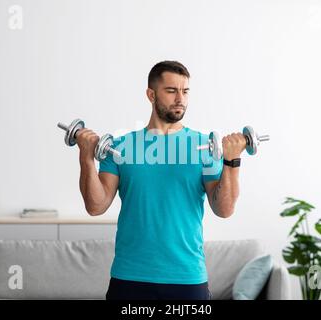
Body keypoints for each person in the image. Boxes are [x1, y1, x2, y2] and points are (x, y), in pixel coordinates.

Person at [76, 61, 246, 300]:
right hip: (130, 277)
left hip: (186, 278)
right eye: (171, 90)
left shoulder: (205, 147)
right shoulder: (120, 148)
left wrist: (232, 161)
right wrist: (86, 157)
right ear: (151, 94)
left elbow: (224, 209)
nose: (180, 98)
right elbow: (96, 206)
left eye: (185, 91)